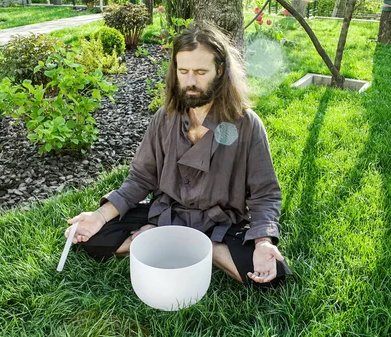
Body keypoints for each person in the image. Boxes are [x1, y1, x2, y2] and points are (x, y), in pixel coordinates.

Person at [66, 22, 291, 288]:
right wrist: (99, 216)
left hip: (220, 224)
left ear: (220, 71)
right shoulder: (165, 118)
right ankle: (168, 237)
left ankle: (194, 244)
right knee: (90, 236)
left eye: (200, 72)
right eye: (183, 71)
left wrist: (263, 243)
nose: (191, 81)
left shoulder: (247, 124)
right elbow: (140, 179)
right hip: (167, 214)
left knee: (271, 274)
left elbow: (265, 193)